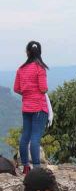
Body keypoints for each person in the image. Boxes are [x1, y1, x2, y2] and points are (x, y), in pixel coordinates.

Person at [13, 41, 50, 174]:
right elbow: (43, 88)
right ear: (39, 53)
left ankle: (25, 167)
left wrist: (26, 92)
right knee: (35, 138)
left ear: (27, 52)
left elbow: (16, 88)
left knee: (25, 136)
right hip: (39, 108)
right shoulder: (40, 68)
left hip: (26, 107)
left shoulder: (21, 69)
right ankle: (37, 168)